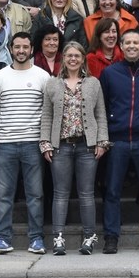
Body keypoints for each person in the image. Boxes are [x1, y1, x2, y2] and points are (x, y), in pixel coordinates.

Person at [99, 29, 139, 254]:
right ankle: (111, 237)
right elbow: (103, 106)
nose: (132, 46)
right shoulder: (110, 73)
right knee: (112, 191)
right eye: (127, 43)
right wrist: (104, 135)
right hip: (117, 140)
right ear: (121, 46)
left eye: (136, 42)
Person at [41, 41, 108, 255]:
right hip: (60, 145)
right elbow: (47, 115)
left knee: (86, 194)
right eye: (69, 55)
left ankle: (90, 237)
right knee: (60, 194)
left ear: (82, 59)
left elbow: (100, 114)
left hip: (86, 147)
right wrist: (45, 143)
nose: (72, 59)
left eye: (77, 56)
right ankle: (58, 238)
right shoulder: (53, 84)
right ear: (64, 59)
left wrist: (102, 141)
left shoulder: (92, 83)